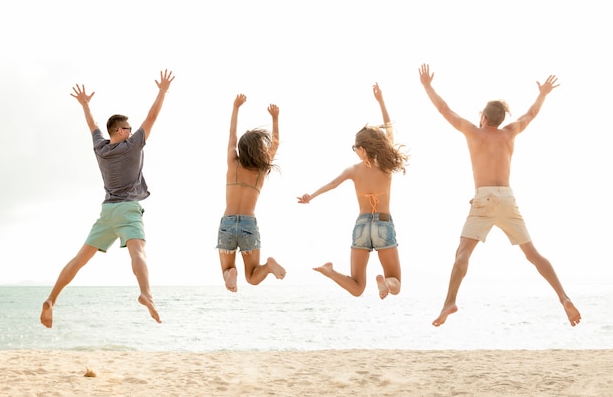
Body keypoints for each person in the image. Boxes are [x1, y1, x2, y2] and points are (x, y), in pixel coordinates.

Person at [418, 63, 581, 327]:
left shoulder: (473, 132)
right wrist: (544, 93)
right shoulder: (510, 132)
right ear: (500, 119)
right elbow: (531, 113)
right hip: (507, 198)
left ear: (483, 117)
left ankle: (449, 302)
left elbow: (443, 109)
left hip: (484, 199)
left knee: (462, 253)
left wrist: (427, 86)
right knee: (533, 254)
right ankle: (563, 297)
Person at [40, 70, 175, 328]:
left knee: (79, 259)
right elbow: (153, 116)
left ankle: (51, 299)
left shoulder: (100, 148)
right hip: (127, 210)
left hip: (107, 213)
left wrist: (85, 105)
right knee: (138, 251)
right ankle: (146, 293)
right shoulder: (132, 145)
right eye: (129, 128)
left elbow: (92, 126)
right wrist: (162, 91)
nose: (133, 130)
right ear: (121, 131)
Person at [297, 83, 409, 299]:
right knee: (396, 282)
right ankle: (386, 282)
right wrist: (381, 101)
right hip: (383, 224)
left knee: (357, 288)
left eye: (355, 147)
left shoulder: (353, 170)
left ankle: (330, 272)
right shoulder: (386, 165)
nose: (355, 151)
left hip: (362, 225)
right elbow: (388, 129)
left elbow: (331, 185)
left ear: (362, 149)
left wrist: (310, 196)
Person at [217, 94, 286, 292]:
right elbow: (275, 143)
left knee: (226, 269)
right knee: (253, 277)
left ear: (241, 149)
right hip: (248, 223)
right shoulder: (261, 170)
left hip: (228, 222)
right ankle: (268, 266)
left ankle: (230, 274)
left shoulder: (233, 163)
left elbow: (231, 134)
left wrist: (236, 106)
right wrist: (275, 118)